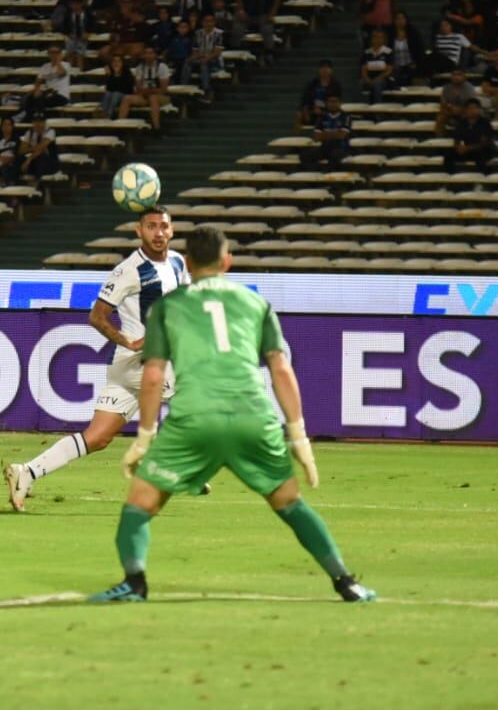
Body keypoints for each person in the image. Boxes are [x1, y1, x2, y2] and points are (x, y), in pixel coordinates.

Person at [87, 227, 376, 604]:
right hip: (253, 419)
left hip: (195, 421)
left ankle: (135, 584)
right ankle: (345, 582)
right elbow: (281, 370)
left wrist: (144, 436)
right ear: (227, 261)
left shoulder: (167, 307)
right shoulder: (255, 303)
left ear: (187, 264)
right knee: (290, 504)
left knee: (138, 508)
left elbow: (154, 374)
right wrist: (299, 437)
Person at [5, 206, 188, 511]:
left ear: (172, 230)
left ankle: (27, 472)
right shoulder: (129, 270)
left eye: (164, 227)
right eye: (151, 226)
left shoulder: (179, 263)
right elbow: (98, 316)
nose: (158, 233)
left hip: (133, 367)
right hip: (144, 362)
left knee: (98, 437)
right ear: (138, 231)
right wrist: (127, 340)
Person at [121, 46, 171, 132]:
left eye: (151, 53)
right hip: (144, 95)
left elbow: (163, 89)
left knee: (153, 98)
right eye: (146, 53)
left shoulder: (162, 67)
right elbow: (138, 88)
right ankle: (120, 125)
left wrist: (149, 91)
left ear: (155, 55)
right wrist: (147, 91)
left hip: (161, 97)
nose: (148, 55)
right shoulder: (140, 68)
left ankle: (156, 127)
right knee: (127, 98)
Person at [301, 92, 353, 171]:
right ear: (326, 103)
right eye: (330, 101)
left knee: (334, 156)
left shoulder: (346, 117)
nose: (332, 104)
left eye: (335, 101)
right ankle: (317, 174)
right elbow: (316, 137)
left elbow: (341, 135)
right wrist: (335, 133)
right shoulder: (322, 117)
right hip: (325, 147)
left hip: (341, 148)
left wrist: (324, 134)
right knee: (304, 156)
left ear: (340, 103)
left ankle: (326, 175)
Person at [442, 99, 495, 173]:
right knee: (449, 155)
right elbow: (457, 139)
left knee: (480, 155)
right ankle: (449, 179)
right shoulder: (462, 123)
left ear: (479, 109)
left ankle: (482, 181)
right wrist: (458, 147)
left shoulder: (485, 123)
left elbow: (484, 143)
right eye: (469, 108)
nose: (472, 110)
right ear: (465, 110)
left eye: (475, 108)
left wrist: (468, 148)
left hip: (483, 150)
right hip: (467, 151)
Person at [187, 12, 224, 101]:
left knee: (204, 64)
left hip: (214, 60)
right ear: (202, 22)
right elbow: (195, 51)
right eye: (206, 21)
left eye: (210, 21)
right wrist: (192, 58)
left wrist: (206, 58)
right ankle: (186, 88)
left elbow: (217, 52)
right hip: (200, 57)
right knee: (187, 63)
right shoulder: (198, 33)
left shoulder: (219, 34)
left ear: (214, 22)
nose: (208, 23)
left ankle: (206, 90)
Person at [434, 67, 478, 136]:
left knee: (469, 116)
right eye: (454, 74)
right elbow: (443, 103)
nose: (456, 77)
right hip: (450, 111)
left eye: (459, 74)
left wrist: (460, 110)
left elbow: (472, 105)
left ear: (464, 76)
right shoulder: (447, 88)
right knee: (440, 117)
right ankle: (439, 138)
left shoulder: (469, 88)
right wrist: (450, 108)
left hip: (465, 112)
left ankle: (465, 138)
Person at [18, 113, 59, 180]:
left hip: (49, 162)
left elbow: (41, 148)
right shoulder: (29, 133)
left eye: (40, 121)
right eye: (35, 121)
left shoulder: (50, 131)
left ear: (44, 122)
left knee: (41, 157)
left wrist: (29, 159)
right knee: (19, 158)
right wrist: (34, 148)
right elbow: (21, 150)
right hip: (34, 161)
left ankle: (38, 182)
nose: (38, 124)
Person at [360, 28, 394, 103]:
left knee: (377, 84)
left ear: (383, 39)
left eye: (380, 37)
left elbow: (389, 70)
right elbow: (363, 69)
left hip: (383, 80)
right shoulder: (366, 53)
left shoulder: (388, 52)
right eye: (375, 37)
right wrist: (367, 79)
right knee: (359, 84)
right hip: (368, 79)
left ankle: (377, 107)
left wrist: (376, 79)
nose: (377, 39)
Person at [100, 53, 136, 120]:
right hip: (112, 95)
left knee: (116, 94)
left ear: (122, 63)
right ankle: (103, 113)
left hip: (125, 95)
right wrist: (110, 76)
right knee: (108, 94)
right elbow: (109, 88)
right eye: (114, 61)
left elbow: (126, 88)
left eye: (118, 61)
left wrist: (117, 74)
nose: (116, 63)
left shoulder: (127, 73)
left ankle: (108, 116)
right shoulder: (110, 73)